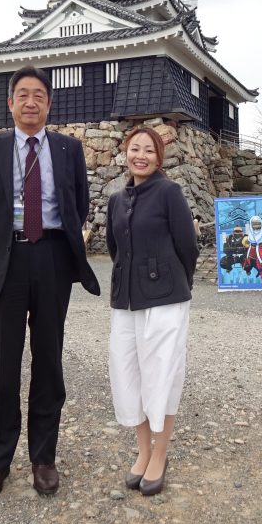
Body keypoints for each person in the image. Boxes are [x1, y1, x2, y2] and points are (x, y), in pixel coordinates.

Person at [0, 66, 100, 499]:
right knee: (2, 366)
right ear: (10, 103)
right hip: (6, 260)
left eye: (38, 95)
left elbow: (79, 203)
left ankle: (43, 459)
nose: (30, 102)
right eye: (22, 94)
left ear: (49, 103)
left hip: (53, 259)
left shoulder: (69, 149)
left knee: (49, 361)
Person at [106, 126, 198, 496]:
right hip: (126, 300)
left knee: (162, 375)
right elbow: (114, 248)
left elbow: (187, 246)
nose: (140, 156)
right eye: (135, 149)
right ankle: (143, 451)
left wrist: (177, 284)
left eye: (148, 150)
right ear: (125, 152)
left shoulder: (169, 192)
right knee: (128, 374)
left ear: (159, 157)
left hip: (165, 299)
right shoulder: (116, 200)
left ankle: (160, 454)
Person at [243, 214, 262, 286]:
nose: (256, 225)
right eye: (254, 224)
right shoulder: (250, 232)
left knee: (261, 266)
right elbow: (248, 241)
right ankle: (253, 271)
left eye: (257, 223)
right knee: (250, 262)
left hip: (261, 251)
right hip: (252, 251)